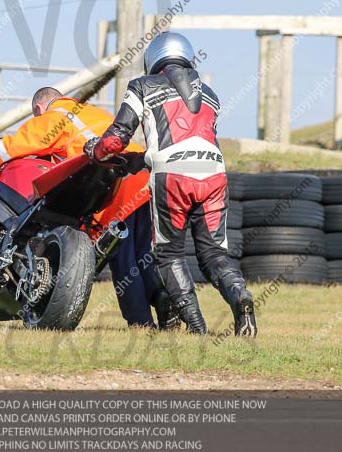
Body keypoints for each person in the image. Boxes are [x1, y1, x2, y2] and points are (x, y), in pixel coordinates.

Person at [0, 87, 178, 328]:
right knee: (143, 253)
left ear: (39, 108)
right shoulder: (93, 113)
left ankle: (141, 323)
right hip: (145, 178)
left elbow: (10, 148)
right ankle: (163, 297)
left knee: (123, 258)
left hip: (120, 184)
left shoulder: (55, 118)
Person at [84, 32, 257, 337]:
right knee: (215, 255)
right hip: (215, 172)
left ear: (153, 59)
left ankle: (196, 327)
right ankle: (241, 299)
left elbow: (116, 139)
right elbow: (191, 140)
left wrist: (95, 150)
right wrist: (138, 162)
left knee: (169, 255)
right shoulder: (211, 95)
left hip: (171, 177)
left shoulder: (141, 86)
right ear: (187, 56)